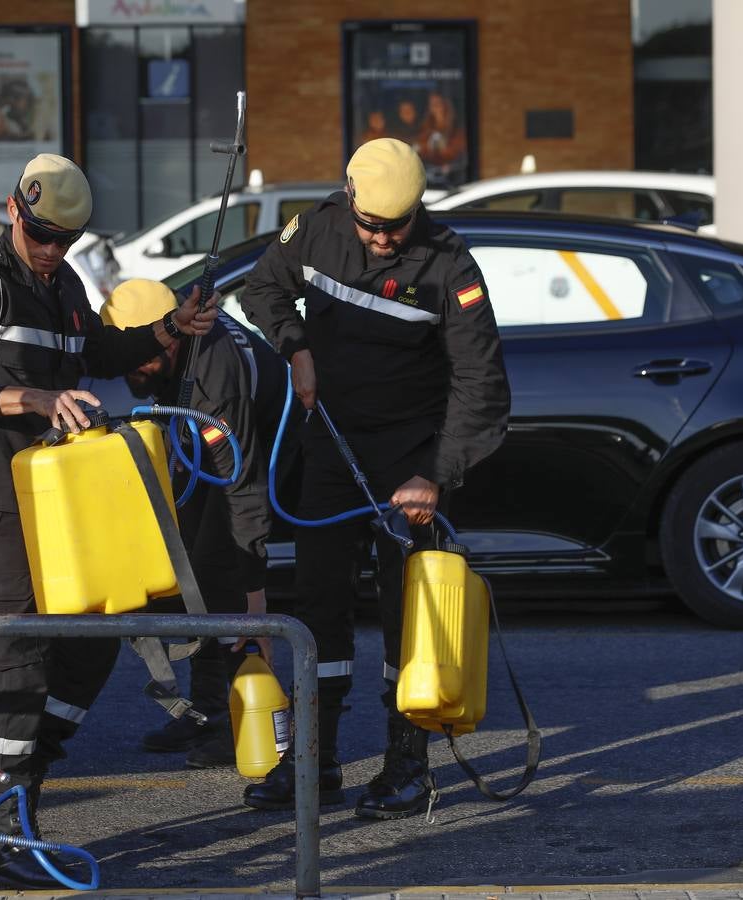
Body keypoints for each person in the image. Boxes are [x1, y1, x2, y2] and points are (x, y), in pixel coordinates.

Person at [0, 154, 217, 886]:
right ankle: (6, 828)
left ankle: (14, 783)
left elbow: (99, 349)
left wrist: (168, 329)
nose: (52, 251)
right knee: (15, 662)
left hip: (62, 502)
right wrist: (34, 400)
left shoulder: (66, 285)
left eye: (67, 241)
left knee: (90, 643)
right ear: (17, 211)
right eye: (44, 234)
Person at [238, 138, 510, 819]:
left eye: (399, 225)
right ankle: (315, 760)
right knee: (318, 606)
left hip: (411, 465)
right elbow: (262, 287)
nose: (385, 239)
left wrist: (435, 477)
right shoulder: (319, 227)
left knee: (408, 619)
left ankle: (406, 767)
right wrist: (294, 346)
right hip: (333, 448)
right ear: (351, 200)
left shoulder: (450, 264)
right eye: (374, 226)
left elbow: (483, 388)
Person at [101, 279, 289, 769]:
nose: (133, 370)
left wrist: (254, 595)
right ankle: (207, 712)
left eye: (142, 359)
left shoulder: (212, 373)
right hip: (203, 442)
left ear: (175, 342)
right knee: (188, 565)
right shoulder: (171, 313)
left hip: (271, 442)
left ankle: (238, 719)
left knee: (219, 567)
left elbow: (242, 488)